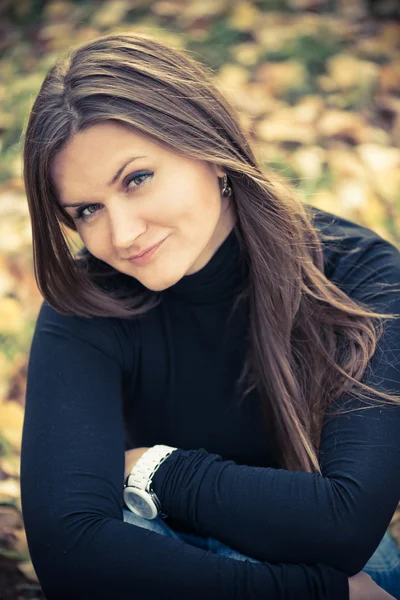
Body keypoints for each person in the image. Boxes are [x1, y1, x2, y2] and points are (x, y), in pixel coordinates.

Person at [19, 32, 400, 600]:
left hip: (321, 555)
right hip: (182, 561)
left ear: (209, 148)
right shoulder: (87, 301)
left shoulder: (359, 275)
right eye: (87, 210)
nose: (121, 235)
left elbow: (345, 524)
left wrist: (156, 469)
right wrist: (318, 593)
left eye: (137, 178)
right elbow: (70, 554)